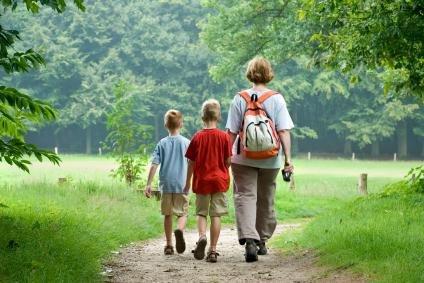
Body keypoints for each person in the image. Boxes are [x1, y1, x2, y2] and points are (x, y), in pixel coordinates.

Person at [226, 57, 294, 262]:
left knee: (245, 196)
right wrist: (288, 160)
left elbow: (230, 132)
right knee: (265, 197)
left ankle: (249, 239)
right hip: (270, 158)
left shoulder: (239, 98)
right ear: (268, 73)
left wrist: (226, 155)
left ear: (250, 73)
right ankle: (261, 240)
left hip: (242, 157)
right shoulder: (277, 99)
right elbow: (283, 131)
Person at [184, 99, 232, 263]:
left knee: (201, 213)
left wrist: (187, 183)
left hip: (202, 182)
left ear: (202, 116)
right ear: (218, 116)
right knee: (216, 214)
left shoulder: (197, 137)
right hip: (219, 181)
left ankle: (202, 237)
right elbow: (228, 161)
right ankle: (212, 250)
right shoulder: (224, 137)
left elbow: (190, 163)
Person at [145, 109, 190, 256]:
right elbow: (193, 163)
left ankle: (169, 245)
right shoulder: (186, 143)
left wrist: (148, 183)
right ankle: (180, 231)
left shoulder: (162, 143)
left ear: (165, 125)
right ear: (181, 124)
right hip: (182, 184)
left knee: (168, 214)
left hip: (166, 184)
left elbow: (154, 164)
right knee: (182, 213)